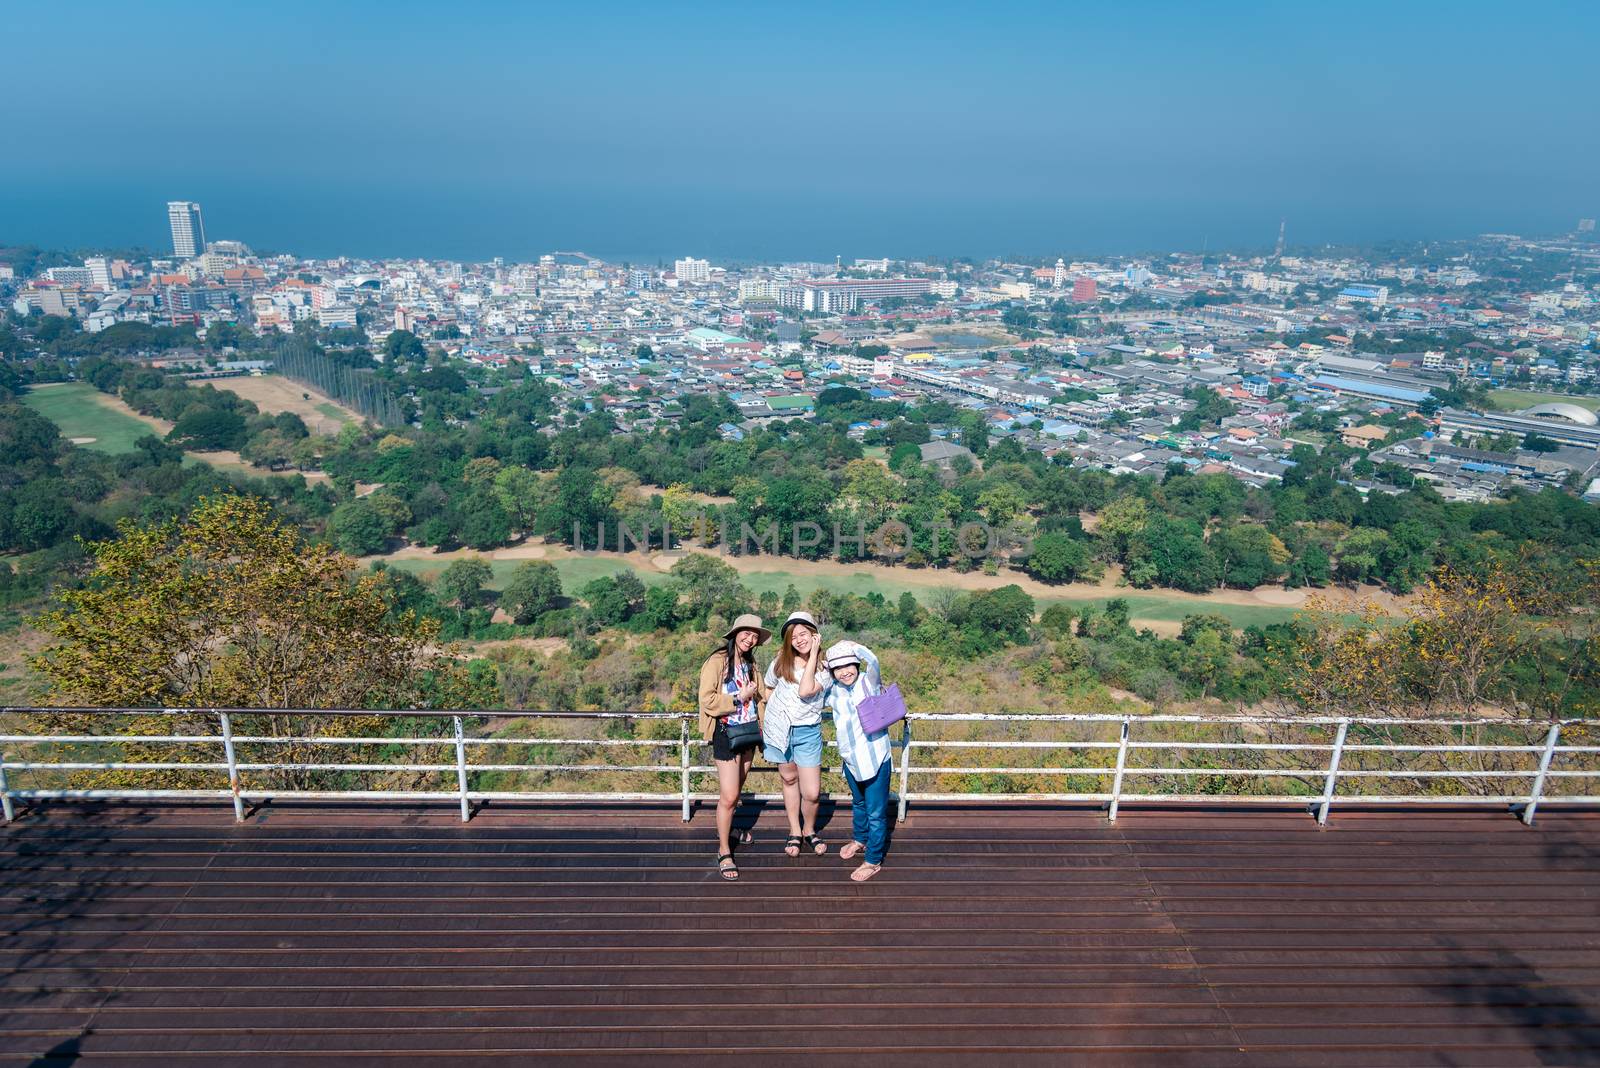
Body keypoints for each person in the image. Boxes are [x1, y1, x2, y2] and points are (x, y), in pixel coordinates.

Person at [697, 613, 772, 881]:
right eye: (746, 633)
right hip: (726, 733)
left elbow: (763, 694)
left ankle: (729, 830)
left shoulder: (751, 664)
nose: (750, 639)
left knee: (736, 791)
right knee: (728, 796)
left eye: (754, 636)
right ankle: (724, 849)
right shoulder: (718, 661)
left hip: (749, 732)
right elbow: (707, 699)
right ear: (735, 633)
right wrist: (738, 697)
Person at [821, 640, 893, 882]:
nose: (844, 672)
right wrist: (822, 666)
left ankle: (873, 860)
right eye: (838, 668)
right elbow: (812, 690)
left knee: (876, 811)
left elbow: (873, 662)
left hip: (874, 756)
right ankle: (860, 839)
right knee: (859, 803)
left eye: (848, 665)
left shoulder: (867, 681)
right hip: (851, 758)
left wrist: (855, 647)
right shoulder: (833, 689)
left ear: (856, 664)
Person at [763, 611, 828, 858]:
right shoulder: (781, 662)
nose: (799, 640)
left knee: (811, 792)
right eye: (793, 637)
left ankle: (810, 829)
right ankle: (795, 831)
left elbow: (805, 690)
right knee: (789, 780)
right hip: (780, 730)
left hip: (808, 731)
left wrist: (813, 655)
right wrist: (770, 715)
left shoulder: (825, 666)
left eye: (804, 634)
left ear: (815, 635)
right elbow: (768, 687)